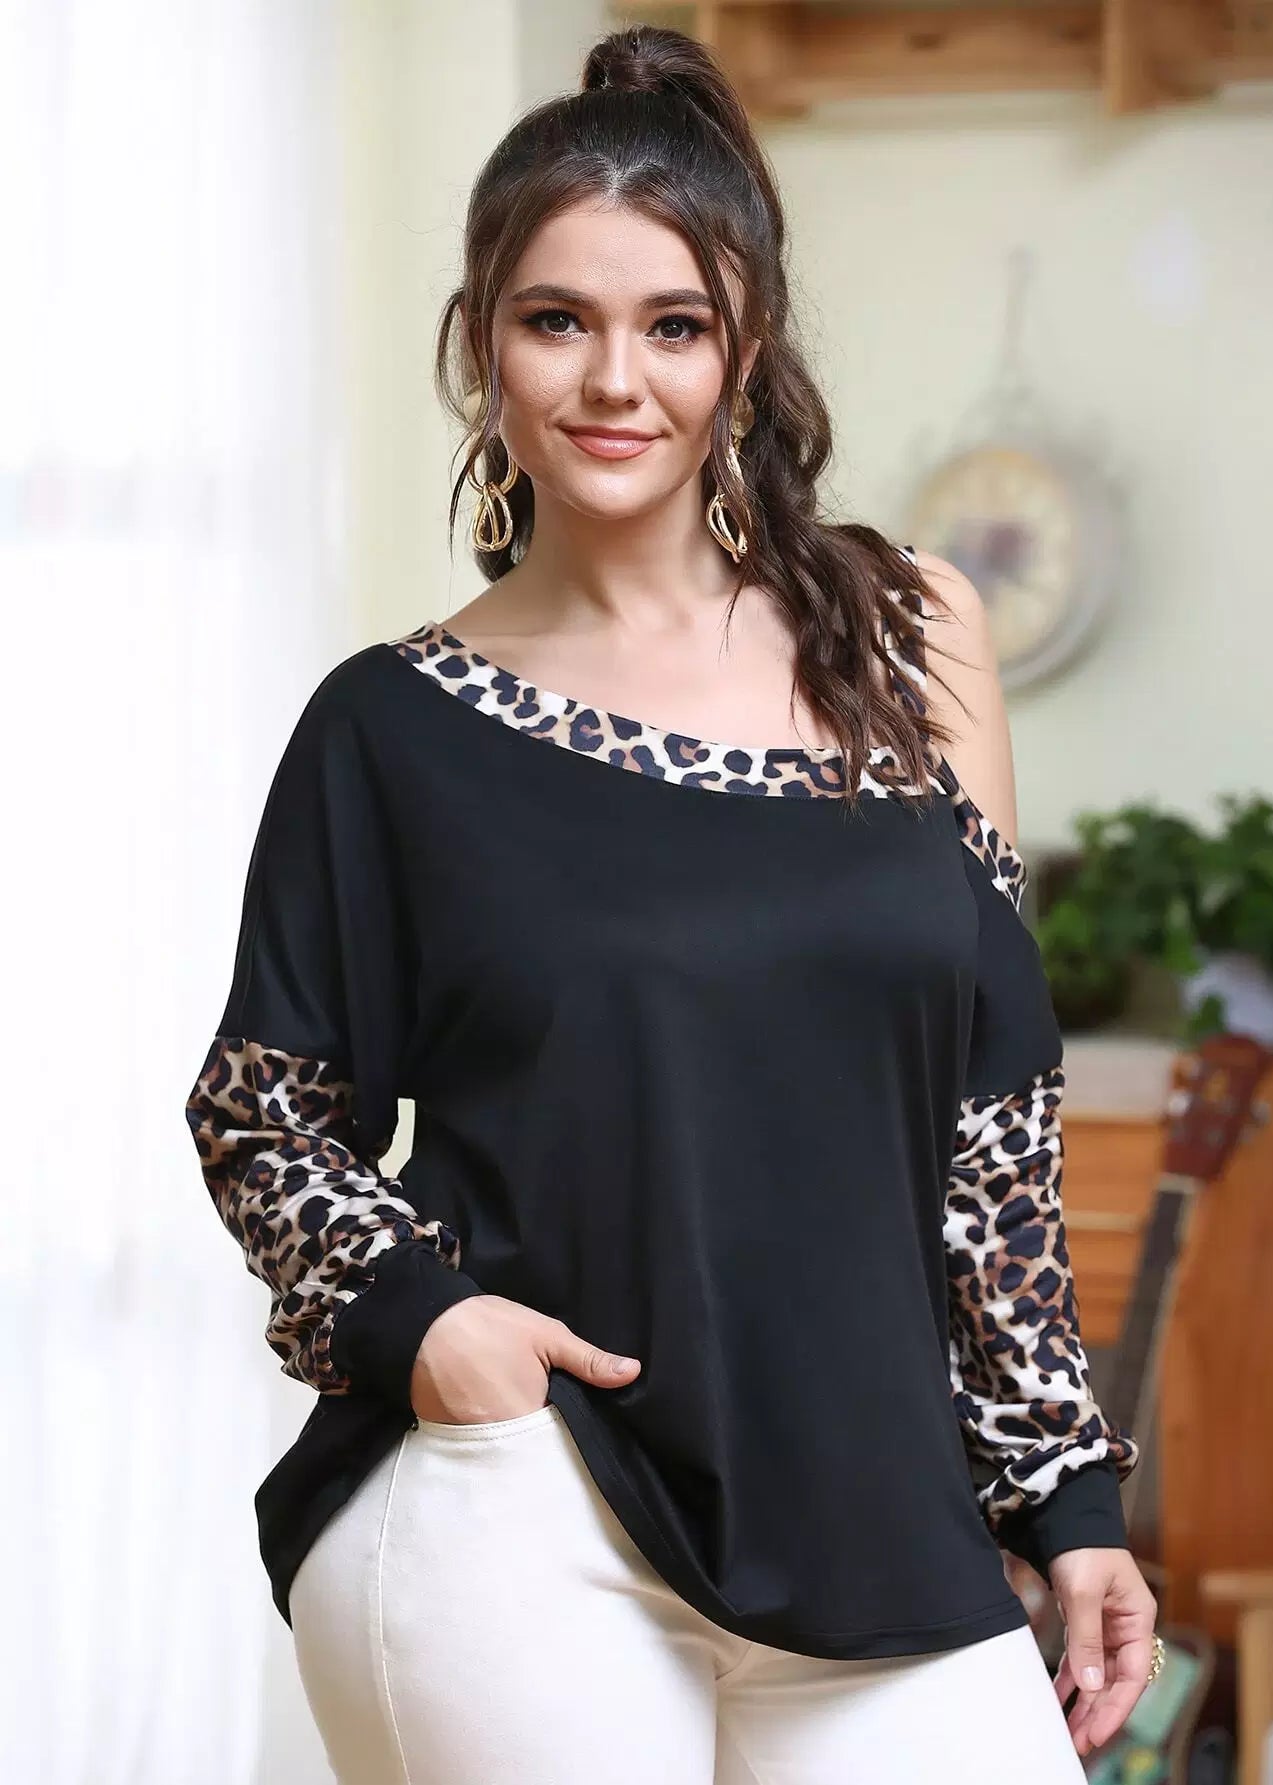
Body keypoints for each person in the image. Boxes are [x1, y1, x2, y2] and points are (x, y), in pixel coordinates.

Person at [184, 23, 1160, 1784]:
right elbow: (262, 1113)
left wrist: (1064, 1493)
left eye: (675, 326)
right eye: (557, 320)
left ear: (746, 350)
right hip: (519, 1501)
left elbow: (993, 1121)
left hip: (876, 1515)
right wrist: (439, 1334)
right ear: (483, 344)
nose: (614, 380)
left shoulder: (912, 638)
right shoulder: (391, 727)